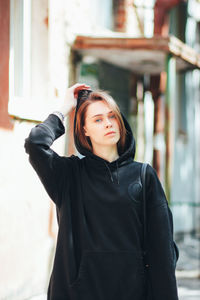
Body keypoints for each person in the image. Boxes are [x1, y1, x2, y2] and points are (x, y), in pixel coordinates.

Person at [24, 83, 179, 300]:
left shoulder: (143, 175)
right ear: (84, 130)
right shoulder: (69, 175)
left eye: (111, 116)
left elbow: (162, 250)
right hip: (79, 293)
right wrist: (64, 108)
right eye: (98, 119)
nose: (108, 123)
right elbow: (35, 144)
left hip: (132, 293)